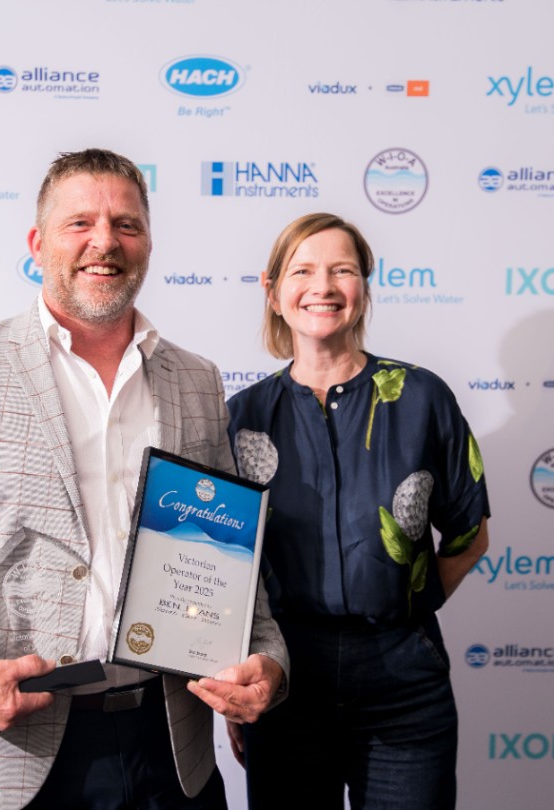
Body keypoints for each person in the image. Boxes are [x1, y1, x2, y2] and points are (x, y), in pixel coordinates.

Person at [0, 149, 287, 810]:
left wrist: (266, 655)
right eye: (80, 223)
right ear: (37, 243)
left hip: (170, 746)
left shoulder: (196, 379)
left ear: (148, 243)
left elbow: (226, 549)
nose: (104, 241)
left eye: (126, 225)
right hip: (7, 751)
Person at [226, 213, 489, 810]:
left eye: (341, 270)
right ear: (272, 290)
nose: (322, 286)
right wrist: (239, 679)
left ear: (364, 288)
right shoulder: (241, 417)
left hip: (403, 682)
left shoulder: (422, 398)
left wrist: (406, 607)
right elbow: (227, 566)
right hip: (284, 678)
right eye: (302, 271)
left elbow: (469, 536)